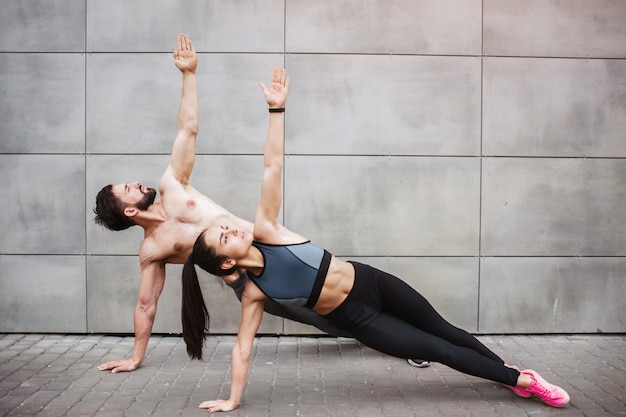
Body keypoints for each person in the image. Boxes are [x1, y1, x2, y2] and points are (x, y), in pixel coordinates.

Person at [181, 67, 570, 412]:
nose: (233, 228)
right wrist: (232, 400)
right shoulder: (254, 293)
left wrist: (276, 110)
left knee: (448, 331)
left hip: (371, 281)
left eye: (226, 226)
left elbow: (273, 165)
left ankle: (505, 374)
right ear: (227, 262)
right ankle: (528, 383)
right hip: (358, 318)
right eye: (225, 236)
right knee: (438, 349)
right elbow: (242, 349)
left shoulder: (266, 228)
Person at [92, 34, 427, 373]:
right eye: (127, 189)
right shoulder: (153, 249)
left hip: (272, 246)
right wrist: (136, 357)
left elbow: (187, 129)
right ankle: (401, 342)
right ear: (129, 211)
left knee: (348, 288)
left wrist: (189, 74)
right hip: (248, 279)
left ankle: (414, 333)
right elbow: (146, 304)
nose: (135, 183)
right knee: (327, 319)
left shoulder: (172, 187)